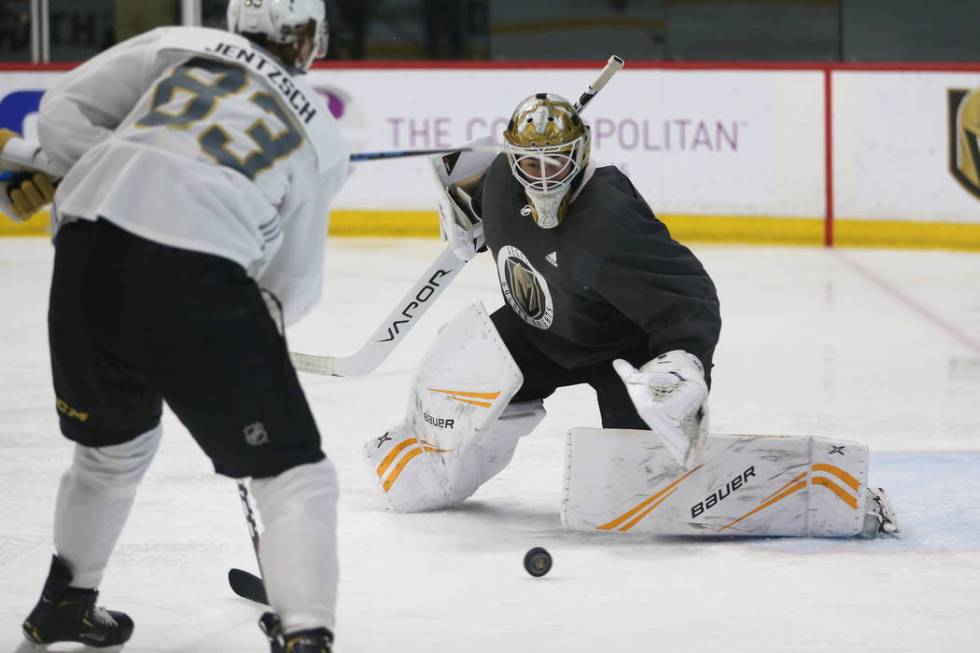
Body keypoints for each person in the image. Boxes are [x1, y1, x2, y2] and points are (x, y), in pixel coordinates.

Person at [363, 93, 899, 539]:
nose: (543, 177)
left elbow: (690, 297)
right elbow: (480, 177)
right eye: (531, 163)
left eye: (556, 163)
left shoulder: (610, 221)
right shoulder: (504, 180)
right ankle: (429, 465)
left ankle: (824, 491)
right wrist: (461, 198)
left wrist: (683, 362)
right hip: (542, 334)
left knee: (641, 495)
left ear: (581, 156)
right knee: (455, 380)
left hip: (626, 353)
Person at [4, 1, 346, 651]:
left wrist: (122, 165)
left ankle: (64, 604)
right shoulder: (320, 133)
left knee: (111, 451)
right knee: (294, 472)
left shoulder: (176, 43)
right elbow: (290, 287)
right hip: (195, 281)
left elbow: (59, 113)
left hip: (85, 258)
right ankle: (306, 636)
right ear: (309, 38)